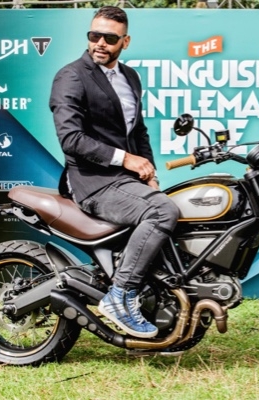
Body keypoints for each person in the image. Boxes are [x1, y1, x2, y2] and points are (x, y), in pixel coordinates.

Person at [49, 6, 179, 339]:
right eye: (94, 35)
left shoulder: (130, 77)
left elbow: (139, 132)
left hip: (125, 180)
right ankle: (120, 295)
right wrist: (126, 160)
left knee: (178, 206)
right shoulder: (72, 76)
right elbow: (71, 138)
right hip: (93, 182)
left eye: (109, 38)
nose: (100, 44)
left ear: (125, 41)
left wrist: (148, 171)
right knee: (162, 211)